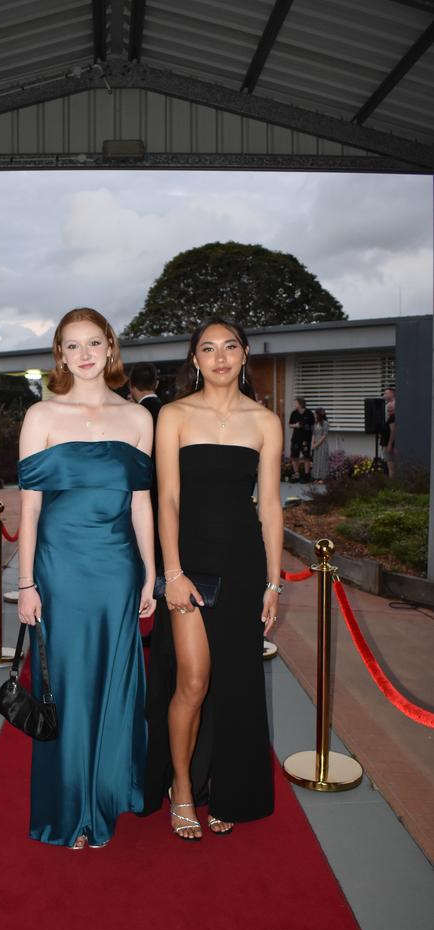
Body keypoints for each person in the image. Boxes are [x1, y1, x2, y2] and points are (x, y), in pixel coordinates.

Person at [17, 306, 156, 850]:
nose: (84, 354)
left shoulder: (139, 418)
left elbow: (141, 506)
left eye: (93, 343)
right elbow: (27, 510)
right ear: (60, 355)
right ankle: (71, 811)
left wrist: (148, 573)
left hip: (117, 567)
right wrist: (26, 584)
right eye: (72, 346)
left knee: (117, 683)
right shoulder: (41, 416)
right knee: (67, 686)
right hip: (60, 567)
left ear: (110, 348)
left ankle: (107, 797)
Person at [142, 316, 282, 840]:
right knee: (194, 680)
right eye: (208, 348)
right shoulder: (174, 416)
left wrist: (273, 582)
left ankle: (229, 790)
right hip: (189, 564)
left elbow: (268, 505)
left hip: (244, 563)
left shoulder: (265, 422)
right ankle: (181, 787)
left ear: (245, 354)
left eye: (229, 347)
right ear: (194, 359)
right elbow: (168, 499)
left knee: (237, 683)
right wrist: (171, 572)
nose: (220, 356)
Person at [130, 363, 164, 573]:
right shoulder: (169, 412)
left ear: (131, 386)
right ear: (157, 384)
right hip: (165, 488)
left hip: (140, 489)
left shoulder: (133, 414)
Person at [289, 397, 314, 481]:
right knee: (294, 457)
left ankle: (306, 476)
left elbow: (313, 426)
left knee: (306, 457)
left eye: (295, 403)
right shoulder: (294, 413)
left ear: (300, 404)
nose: (294, 405)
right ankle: (296, 475)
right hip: (296, 438)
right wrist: (295, 425)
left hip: (306, 439)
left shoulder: (309, 413)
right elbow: (290, 424)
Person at [311, 407, 330, 483]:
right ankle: (316, 477)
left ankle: (322, 478)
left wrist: (317, 444)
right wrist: (312, 444)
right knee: (316, 461)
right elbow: (313, 434)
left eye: (315, 413)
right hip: (315, 444)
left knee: (322, 460)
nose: (314, 415)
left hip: (322, 444)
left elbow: (324, 435)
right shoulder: (315, 423)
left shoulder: (325, 423)